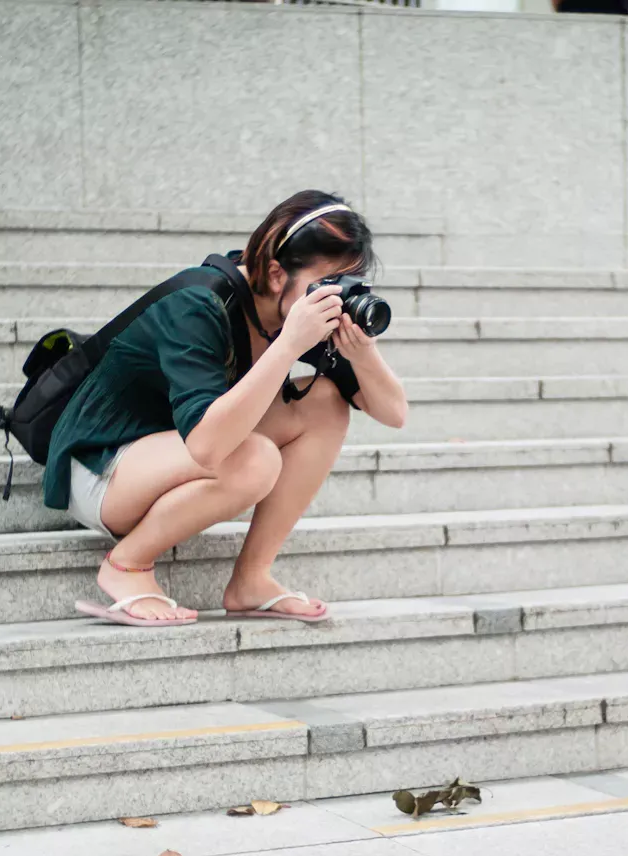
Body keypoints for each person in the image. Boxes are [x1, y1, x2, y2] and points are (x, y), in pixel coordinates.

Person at [42, 190, 408, 627]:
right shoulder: (198, 304)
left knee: (326, 402)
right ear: (276, 274)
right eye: (327, 284)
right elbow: (208, 447)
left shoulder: (295, 307)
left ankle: (251, 578)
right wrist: (290, 344)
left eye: (348, 284)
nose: (336, 298)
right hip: (101, 466)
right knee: (254, 458)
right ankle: (127, 565)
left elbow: (394, 413)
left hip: (172, 454)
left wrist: (363, 352)